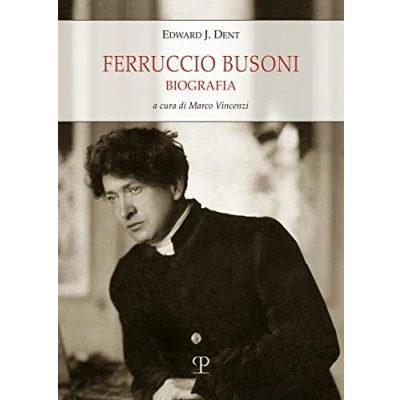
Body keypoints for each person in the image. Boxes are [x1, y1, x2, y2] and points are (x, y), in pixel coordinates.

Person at [84, 127, 341, 400]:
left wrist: (210, 384)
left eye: (134, 189)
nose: (124, 210)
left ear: (175, 186)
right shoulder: (129, 275)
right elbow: (147, 374)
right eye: (113, 197)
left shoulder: (258, 239)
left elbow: (314, 342)